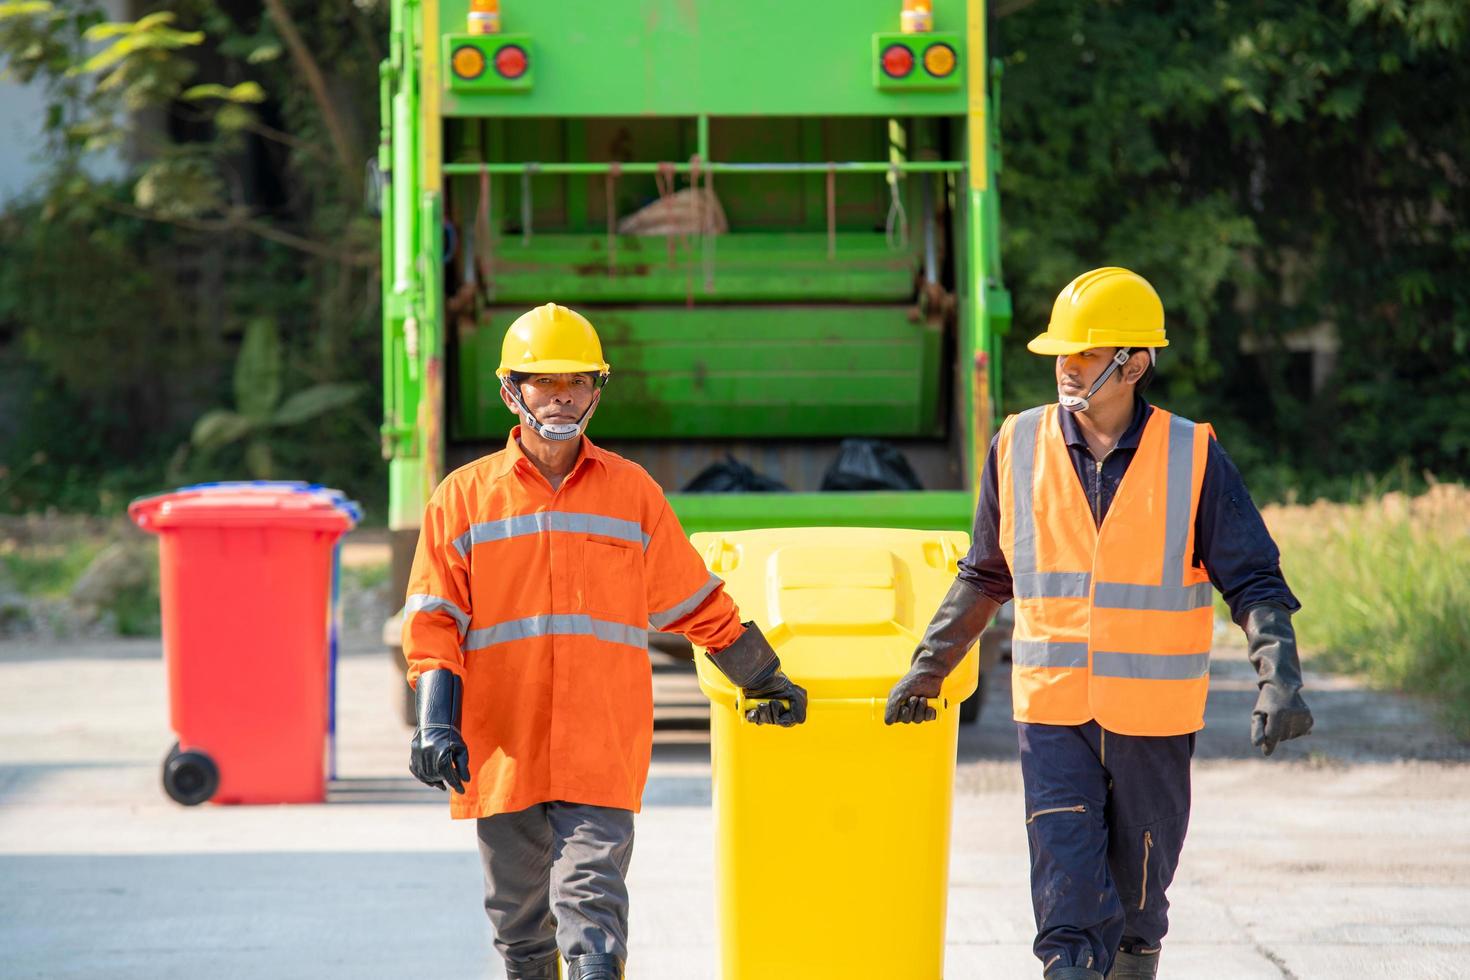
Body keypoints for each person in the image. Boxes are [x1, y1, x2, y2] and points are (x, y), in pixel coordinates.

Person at [884, 268, 1313, 980]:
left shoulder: (1193, 456)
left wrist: (1280, 679)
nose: (1066, 366)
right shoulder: (1017, 445)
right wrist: (929, 667)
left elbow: (1253, 577)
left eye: (1084, 352)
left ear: (1135, 362)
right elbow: (986, 573)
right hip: (1054, 712)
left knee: (1140, 900)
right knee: (1068, 895)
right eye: (1062, 351)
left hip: (1153, 720)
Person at [402, 303, 807, 980]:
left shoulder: (631, 494)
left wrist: (762, 675)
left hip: (600, 745)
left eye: (577, 381)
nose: (560, 395)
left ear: (598, 391)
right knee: (521, 928)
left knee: (593, 922)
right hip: (503, 750)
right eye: (542, 381)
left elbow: (694, 599)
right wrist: (433, 723)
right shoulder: (463, 499)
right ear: (511, 390)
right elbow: (434, 620)